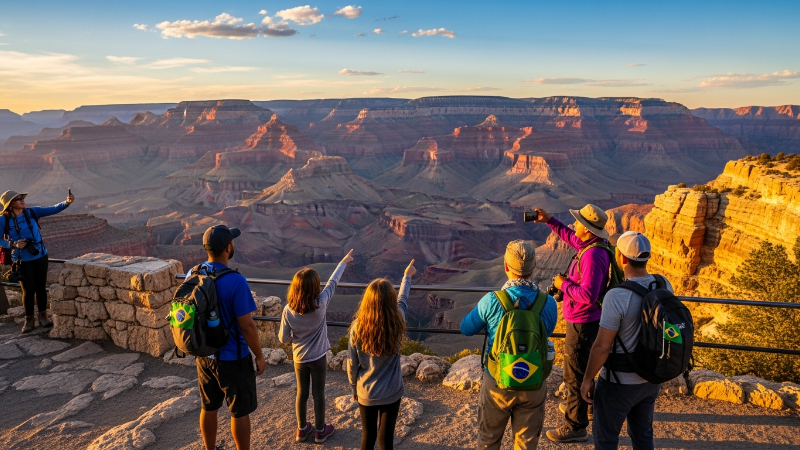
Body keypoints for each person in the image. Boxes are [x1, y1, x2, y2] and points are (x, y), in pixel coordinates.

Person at [461, 240, 558, 450]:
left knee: (488, 440)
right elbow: (546, 334)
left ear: (506, 267)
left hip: (498, 381)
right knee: (526, 444)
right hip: (533, 378)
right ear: (534, 268)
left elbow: (465, 328)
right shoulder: (548, 303)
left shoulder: (492, 300)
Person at [580, 231, 672, 450]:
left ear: (620, 258)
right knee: (642, 436)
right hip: (651, 378)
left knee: (606, 438)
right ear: (646, 257)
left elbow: (602, 346)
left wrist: (587, 379)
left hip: (618, 382)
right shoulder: (663, 285)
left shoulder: (617, 296)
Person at [533, 205, 611, 443]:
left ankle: (575, 426)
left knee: (574, 373)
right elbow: (569, 237)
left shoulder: (592, 255)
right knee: (584, 367)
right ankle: (585, 407)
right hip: (586, 319)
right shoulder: (592, 245)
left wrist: (562, 284)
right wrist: (550, 220)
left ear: (587, 230)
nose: (575, 225)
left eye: (578, 222)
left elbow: (588, 294)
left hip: (582, 321)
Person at [195, 225, 265, 450]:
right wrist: (260, 356)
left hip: (204, 356)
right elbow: (247, 327)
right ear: (228, 247)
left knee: (209, 407)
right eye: (232, 242)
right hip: (233, 357)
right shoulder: (236, 281)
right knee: (239, 411)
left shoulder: (193, 273)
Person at [279, 249, 355, 443]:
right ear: (315, 287)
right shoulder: (321, 303)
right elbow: (333, 282)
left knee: (302, 393)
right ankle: (321, 431)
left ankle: (302, 430)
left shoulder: (288, 310)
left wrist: (296, 340)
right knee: (318, 393)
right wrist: (343, 262)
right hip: (319, 357)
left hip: (299, 358)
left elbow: (283, 338)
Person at [347, 259, 415, 450]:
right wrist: (406, 277)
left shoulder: (357, 328)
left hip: (366, 391)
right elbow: (403, 299)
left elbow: (352, 364)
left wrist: (354, 387)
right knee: (386, 439)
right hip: (392, 392)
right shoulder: (397, 320)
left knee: (367, 436)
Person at [1, 190, 73, 333]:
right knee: (28, 290)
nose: (23, 200)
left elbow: (53, 209)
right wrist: (13, 244)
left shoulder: (32, 212)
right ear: (10, 204)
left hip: (40, 255)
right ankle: (29, 320)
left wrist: (67, 202)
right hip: (21, 260)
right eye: (18, 199)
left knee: (40, 288)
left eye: (22, 198)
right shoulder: (3, 219)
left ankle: (43, 316)